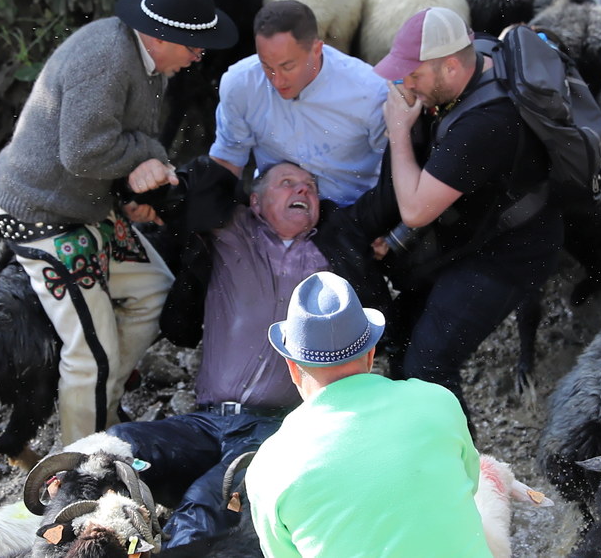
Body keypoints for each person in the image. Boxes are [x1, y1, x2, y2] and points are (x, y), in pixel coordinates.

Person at [0, 0, 236, 446]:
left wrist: (134, 185)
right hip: (43, 214)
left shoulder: (149, 64)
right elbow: (82, 152)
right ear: (162, 38)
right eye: (195, 47)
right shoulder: (106, 58)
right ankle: (79, 464)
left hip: (88, 207)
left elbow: (117, 144)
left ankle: (99, 404)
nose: (198, 58)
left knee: (153, 290)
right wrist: (148, 156)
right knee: (90, 354)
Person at [106, 159, 396, 548]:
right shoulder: (231, 227)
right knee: (117, 447)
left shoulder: (334, 249)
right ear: (255, 201)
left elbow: (391, 200)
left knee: (204, 505)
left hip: (273, 429)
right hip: (205, 423)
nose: (303, 191)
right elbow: (188, 192)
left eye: (311, 186)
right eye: (288, 183)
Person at [373, 7, 563, 412]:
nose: (405, 85)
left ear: (452, 67)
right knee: (402, 336)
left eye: (415, 76)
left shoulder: (487, 124)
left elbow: (415, 210)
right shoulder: (479, 57)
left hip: (510, 253)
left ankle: (465, 468)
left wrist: (398, 130)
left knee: (428, 364)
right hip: (481, 226)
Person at [245, 271, 491, 558]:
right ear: (371, 353)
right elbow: (469, 485)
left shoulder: (269, 467)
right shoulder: (438, 401)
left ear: (291, 366)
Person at [209, 0, 390, 205]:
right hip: (275, 213)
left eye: (287, 66)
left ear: (317, 49)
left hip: (350, 212)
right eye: (267, 66)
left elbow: (395, 169)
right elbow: (228, 158)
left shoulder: (370, 91)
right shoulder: (240, 83)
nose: (276, 80)